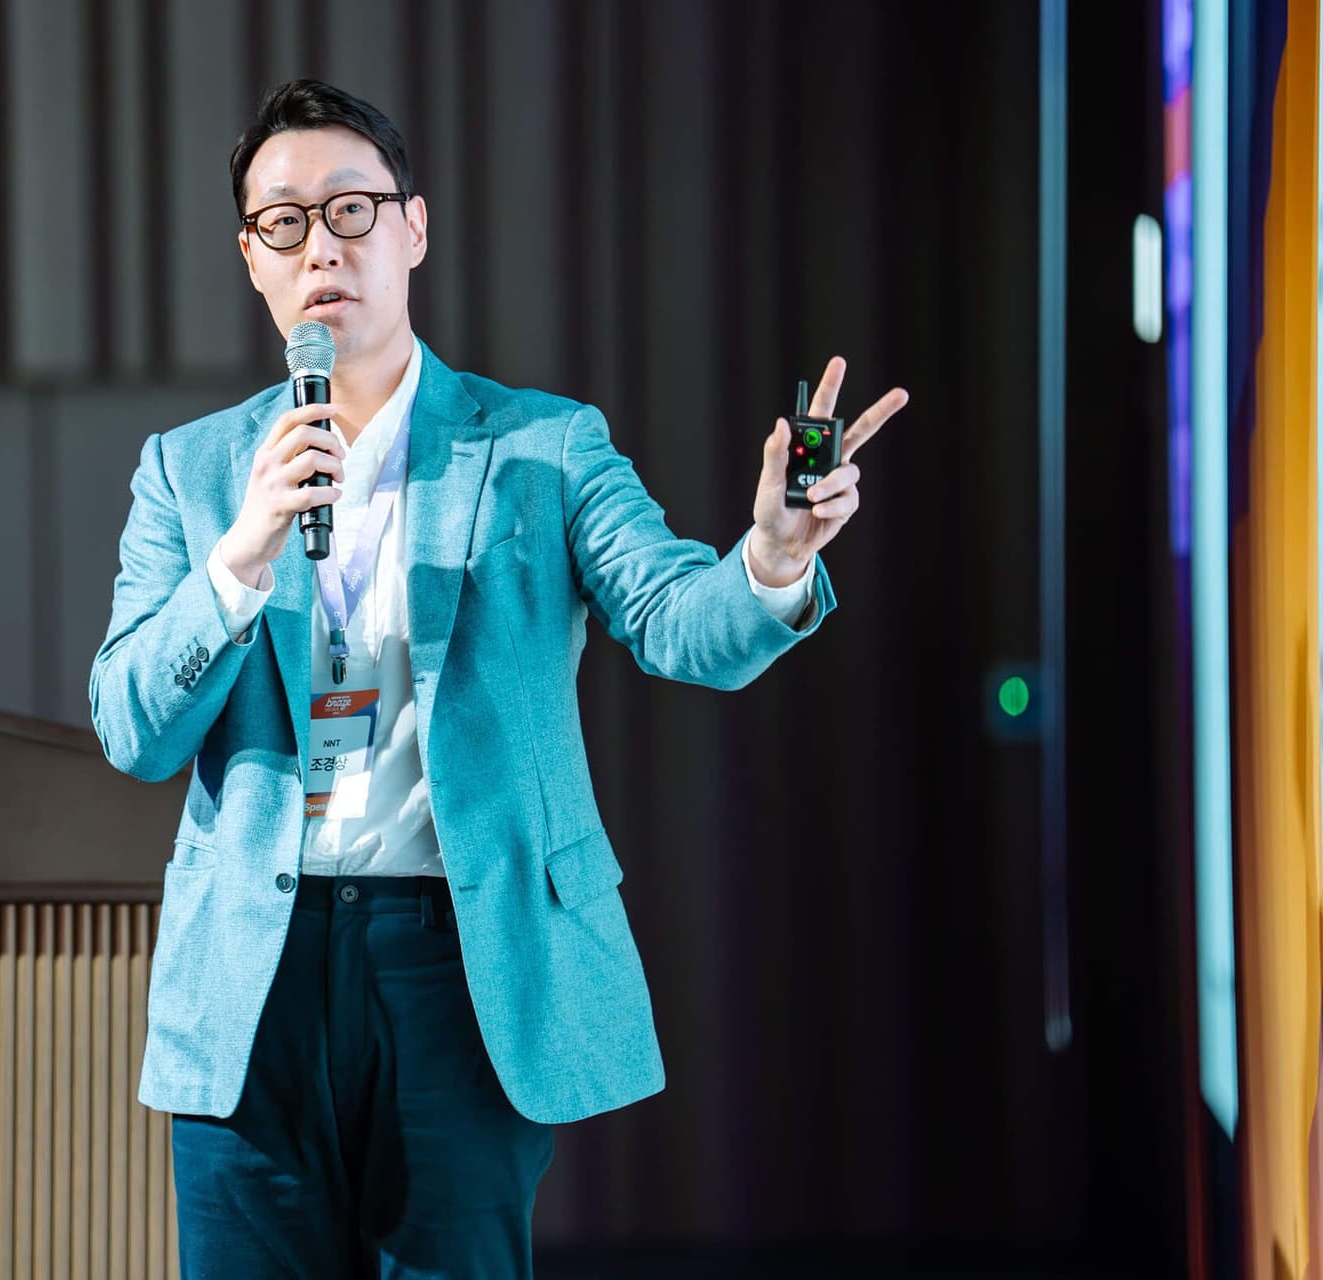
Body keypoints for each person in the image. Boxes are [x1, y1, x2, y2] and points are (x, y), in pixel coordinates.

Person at [89, 78, 908, 1278]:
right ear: (252, 261)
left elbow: (679, 619)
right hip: (252, 974)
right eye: (284, 223)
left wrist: (774, 556)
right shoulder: (195, 471)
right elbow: (130, 727)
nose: (321, 245)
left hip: (456, 957)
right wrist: (240, 555)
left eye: (352, 210)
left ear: (414, 229)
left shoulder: (543, 442)